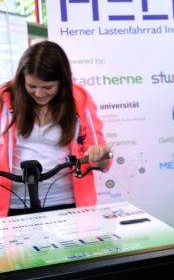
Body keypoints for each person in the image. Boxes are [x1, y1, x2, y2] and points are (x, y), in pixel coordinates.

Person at [0, 41, 110, 216]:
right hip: (12, 206)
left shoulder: (79, 101)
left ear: (62, 82)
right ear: (22, 80)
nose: (39, 93)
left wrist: (99, 156)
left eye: (47, 87)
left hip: (67, 204)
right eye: (31, 86)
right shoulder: (4, 100)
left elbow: (102, 157)